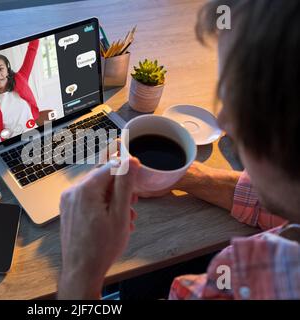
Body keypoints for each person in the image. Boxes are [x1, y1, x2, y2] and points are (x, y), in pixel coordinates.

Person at [58, 0, 300, 300]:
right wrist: (182, 176)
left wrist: (78, 274)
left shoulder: (241, 286)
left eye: (238, 100)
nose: (225, 120)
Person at [0, 39, 40, 140]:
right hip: (12, 144)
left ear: (7, 70)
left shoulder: (21, 78)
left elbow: (32, 49)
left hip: (35, 135)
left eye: (0, 69)